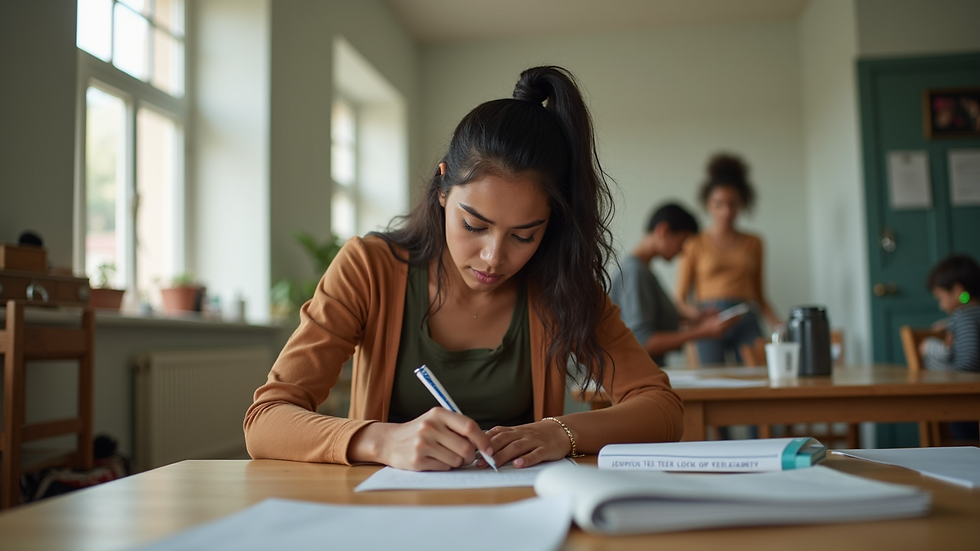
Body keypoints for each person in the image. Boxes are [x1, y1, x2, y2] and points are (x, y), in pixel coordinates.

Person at [244, 66, 684, 472]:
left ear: (551, 224)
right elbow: (266, 419)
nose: (494, 257)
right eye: (474, 225)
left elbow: (661, 409)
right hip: (386, 513)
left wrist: (559, 432)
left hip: (519, 511)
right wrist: (381, 441)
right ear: (441, 188)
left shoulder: (560, 284)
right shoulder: (369, 269)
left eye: (524, 235)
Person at [674, 154, 781, 365]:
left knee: (757, 379)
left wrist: (778, 324)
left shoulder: (755, 242)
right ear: (708, 205)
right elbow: (680, 298)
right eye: (718, 204)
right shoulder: (694, 244)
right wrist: (697, 317)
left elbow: (760, 295)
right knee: (711, 380)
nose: (726, 211)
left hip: (746, 316)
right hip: (710, 317)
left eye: (732, 204)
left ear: (742, 203)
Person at [609, 203, 739, 366]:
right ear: (663, 231)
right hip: (635, 379)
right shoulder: (635, 272)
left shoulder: (642, 270)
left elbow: (649, 318)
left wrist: (695, 318)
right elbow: (644, 341)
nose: (683, 251)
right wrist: (702, 332)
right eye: (683, 241)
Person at [919, 254, 980, 441]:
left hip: (969, 400)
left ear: (957, 289)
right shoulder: (970, 314)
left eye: (941, 297)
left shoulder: (962, 316)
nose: (941, 304)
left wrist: (929, 349)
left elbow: (967, 365)